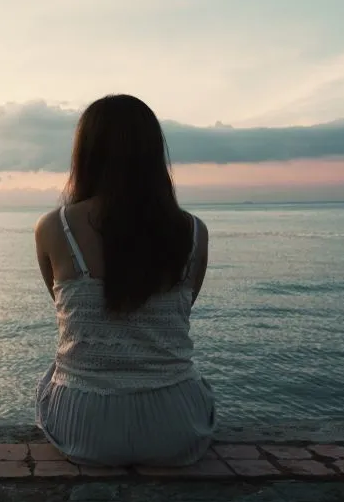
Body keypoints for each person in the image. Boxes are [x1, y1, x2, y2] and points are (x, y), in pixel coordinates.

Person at [33, 94, 215, 467]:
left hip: (85, 427)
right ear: (154, 154)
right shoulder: (194, 232)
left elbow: (63, 308)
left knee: (56, 372)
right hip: (176, 425)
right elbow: (184, 307)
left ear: (85, 152)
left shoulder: (55, 228)